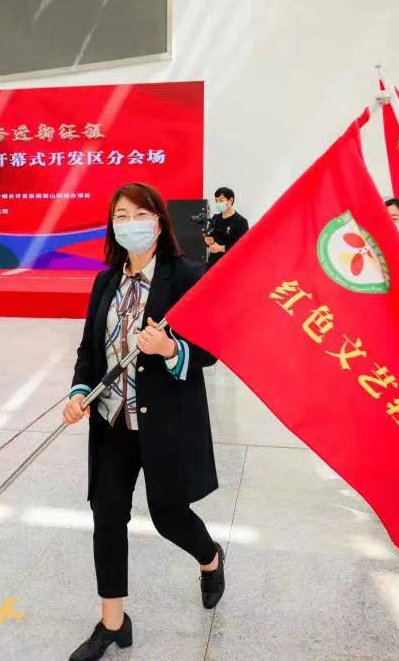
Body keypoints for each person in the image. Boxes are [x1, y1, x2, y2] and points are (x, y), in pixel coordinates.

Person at [63, 182, 223, 661]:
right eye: (121, 215)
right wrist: (79, 394)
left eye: (139, 214)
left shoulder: (186, 276)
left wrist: (170, 348)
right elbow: (89, 352)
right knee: (107, 517)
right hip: (111, 421)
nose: (130, 223)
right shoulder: (105, 282)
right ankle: (113, 623)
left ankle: (210, 558)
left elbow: (210, 352)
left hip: (164, 423)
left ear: (158, 221)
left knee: (169, 516)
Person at [204, 186, 248, 268]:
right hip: (212, 264)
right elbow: (210, 239)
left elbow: (243, 246)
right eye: (216, 200)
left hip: (231, 265)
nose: (218, 203)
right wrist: (208, 241)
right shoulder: (215, 218)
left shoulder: (241, 221)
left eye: (221, 200)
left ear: (230, 200)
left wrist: (221, 248)